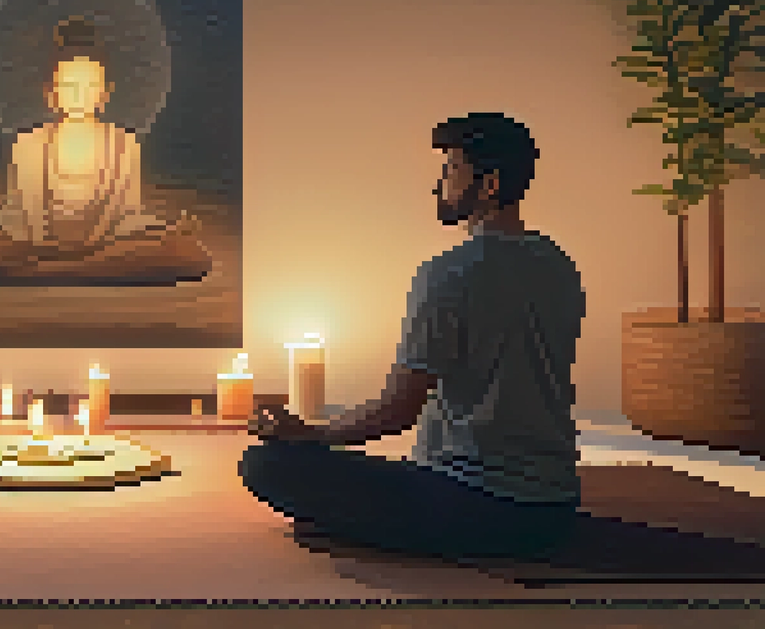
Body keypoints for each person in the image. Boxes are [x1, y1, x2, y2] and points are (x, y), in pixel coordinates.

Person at [241, 113, 586, 562]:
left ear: (490, 184)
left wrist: (312, 434)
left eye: (451, 170)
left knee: (265, 465)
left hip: (475, 503)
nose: (438, 184)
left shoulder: (450, 273)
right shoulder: (560, 266)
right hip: (556, 506)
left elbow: (396, 412)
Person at [0, 17, 213, 287]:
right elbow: (16, 213)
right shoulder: (28, 145)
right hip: (41, 243)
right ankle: (84, 269)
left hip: (105, 243)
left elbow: (128, 216)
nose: (79, 95)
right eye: (69, 86)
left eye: (90, 86)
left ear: (105, 93)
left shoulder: (124, 144)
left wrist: (164, 228)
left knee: (189, 254)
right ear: (51, 93)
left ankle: (44, 272)